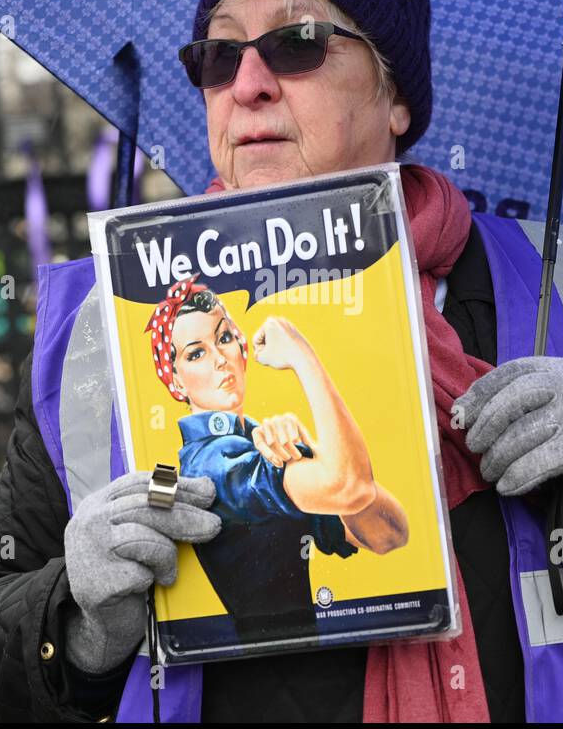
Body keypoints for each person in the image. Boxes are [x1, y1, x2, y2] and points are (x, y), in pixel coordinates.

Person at [0, 0, 563, 723]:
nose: (249, 83)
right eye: (219, 56)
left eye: (298, 43)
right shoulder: (107, 324)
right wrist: (75, 623)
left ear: (395, 93)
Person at [149, 274, 408, 645]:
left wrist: (311, 450)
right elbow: (350, 485)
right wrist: (303, 357)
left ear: (241, 347)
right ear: (175, 381)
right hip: (261, 672)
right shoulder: (211, 464)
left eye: (223, 338)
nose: (221, 359)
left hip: (314, 660)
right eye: (196, 353)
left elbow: (389, 533)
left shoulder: (252, 445)